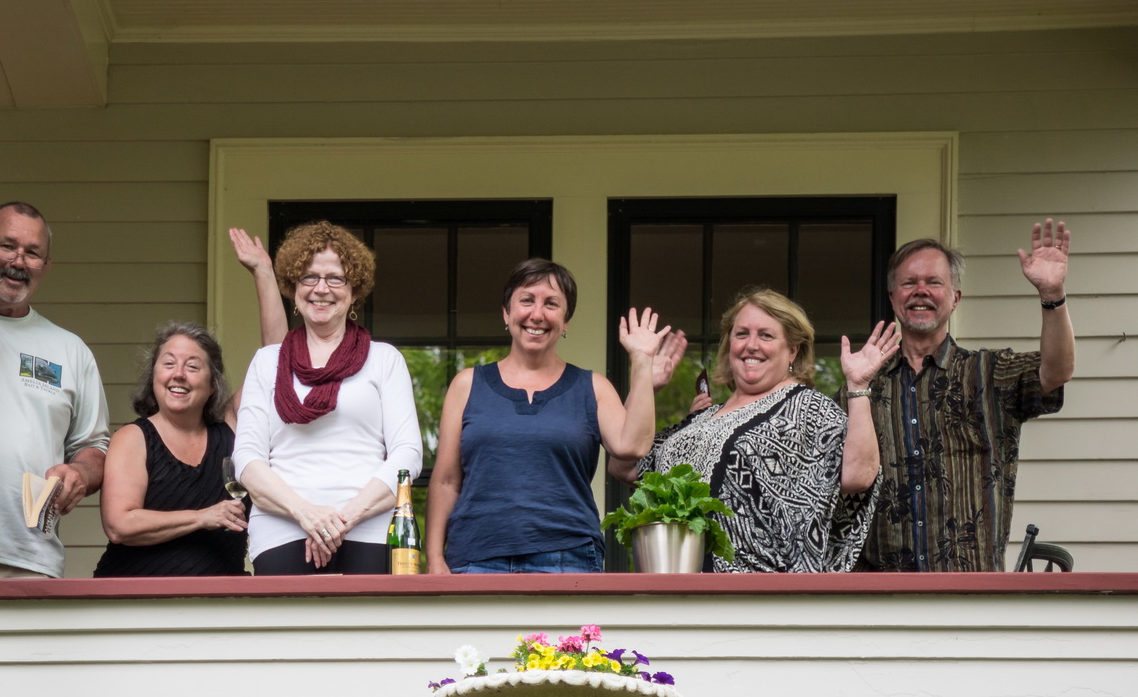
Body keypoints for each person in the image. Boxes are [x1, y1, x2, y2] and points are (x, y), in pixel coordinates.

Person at [610, 288, 900, 573]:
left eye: (766, 335)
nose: (751, 345)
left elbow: (859, 476)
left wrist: (859, 387)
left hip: (759, 597)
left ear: (792, 350)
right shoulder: (702, 418)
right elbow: (625, 464)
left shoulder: (808, 407)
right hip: (680, 594)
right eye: (741, 334)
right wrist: (646, 383)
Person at [425, 258, 674, 574]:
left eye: (551, 304)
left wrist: (641, 360)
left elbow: (632, 446)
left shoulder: (593, 387)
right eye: (526, 300)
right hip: (475, 557)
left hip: (567, 558)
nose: (537, 314)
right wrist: (434, 559)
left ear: (566, 321)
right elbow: (446, 481)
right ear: (506, 312)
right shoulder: (466, 385)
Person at [860, 220, 1074, 571]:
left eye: (934, 282)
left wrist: (1052, 295)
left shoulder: (990, 373)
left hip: (970, 593)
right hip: (883, 595)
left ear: (955, 298)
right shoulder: (863, 388)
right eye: (909, 282)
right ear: (892, 297)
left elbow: (1057, 371)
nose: (920, 291)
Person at [92, 232, 289, 577]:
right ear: (154, 375)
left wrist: (263, 273)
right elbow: (120, 524)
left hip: (217, 609)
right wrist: (203, 516)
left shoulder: (229, 429)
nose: (178, 374)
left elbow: (276, 360)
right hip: (133, 605)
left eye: (193, 366)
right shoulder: (134, 438)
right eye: (168, 364)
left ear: (212, 382)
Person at [232, 221, 422, 575]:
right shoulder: (267, 362)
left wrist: (339, 520)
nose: (322, 288)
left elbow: (407, 455)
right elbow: (246, 458)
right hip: (282, 528)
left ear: (354, 290)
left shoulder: (384, 359)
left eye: (335, 278)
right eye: (309, 277)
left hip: (369, 527)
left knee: (369, 631)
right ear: (293, 286)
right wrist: (306, 513)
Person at [0, 202, 110, 578]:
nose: (19, 261)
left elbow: (94, 448)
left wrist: (79, 473)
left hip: (29, 558)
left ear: (46, 265)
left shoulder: (70, 350)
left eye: (33, 253)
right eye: (7, 246)